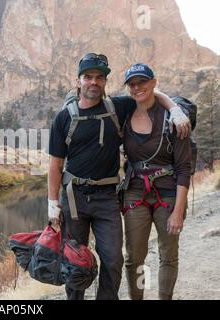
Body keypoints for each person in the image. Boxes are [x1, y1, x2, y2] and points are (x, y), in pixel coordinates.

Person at [47, 53, 190, 300]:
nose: (94, 82)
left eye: (99, 78)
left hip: (107, 198)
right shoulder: (64, 118)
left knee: (113, 259)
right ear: (78, 80)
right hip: (73, 198)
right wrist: (52, 204)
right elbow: (55, 165)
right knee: (74, 260)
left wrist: (175, 109)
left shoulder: (117, 107)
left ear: (105, 82)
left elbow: (148, 94)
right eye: (88, 77)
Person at [120, 63, 191, 300]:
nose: (138, 87)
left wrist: (178, 211)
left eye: (143, 82)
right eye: (132, 84)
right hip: (134, 193)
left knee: (168, 255)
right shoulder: (124, 113)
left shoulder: (174, 120)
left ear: (153, 82)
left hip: (169, 194)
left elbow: (183, 168)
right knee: (133, 258)